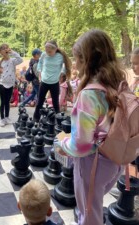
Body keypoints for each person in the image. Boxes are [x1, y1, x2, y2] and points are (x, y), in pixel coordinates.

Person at [55, 29, 125, 225]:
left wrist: (61, 143)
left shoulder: (90, 94)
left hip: (93, 164)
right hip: (116, 160)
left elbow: (82, 145)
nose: (75, 65)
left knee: (89, 215)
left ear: (89, 60)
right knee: (94, 207)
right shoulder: (118, 84)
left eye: (78, 59)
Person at [33, 40, 71, 123]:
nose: (48, 52)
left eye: (49, 50)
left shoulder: (60, 56)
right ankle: (36, 118)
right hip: (44, 82)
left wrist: (62, 73)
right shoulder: (43, 54)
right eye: (46, 49)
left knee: (56, 103)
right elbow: (40, 63)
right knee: (40, 101)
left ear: (55, 49)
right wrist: (39, 72)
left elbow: (64, 66)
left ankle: (58, 120)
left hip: (54, 82)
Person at [0, 43, 23, 127]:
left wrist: (12, 52)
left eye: (7, 48)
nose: (5, 49)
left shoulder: (12, 61)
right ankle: (2, 118)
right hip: (2, 84)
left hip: (10, 84)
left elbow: (20, 59)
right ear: (0, 52)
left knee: (7, 101)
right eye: (3, 48)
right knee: (2, 102)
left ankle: (7, 117)